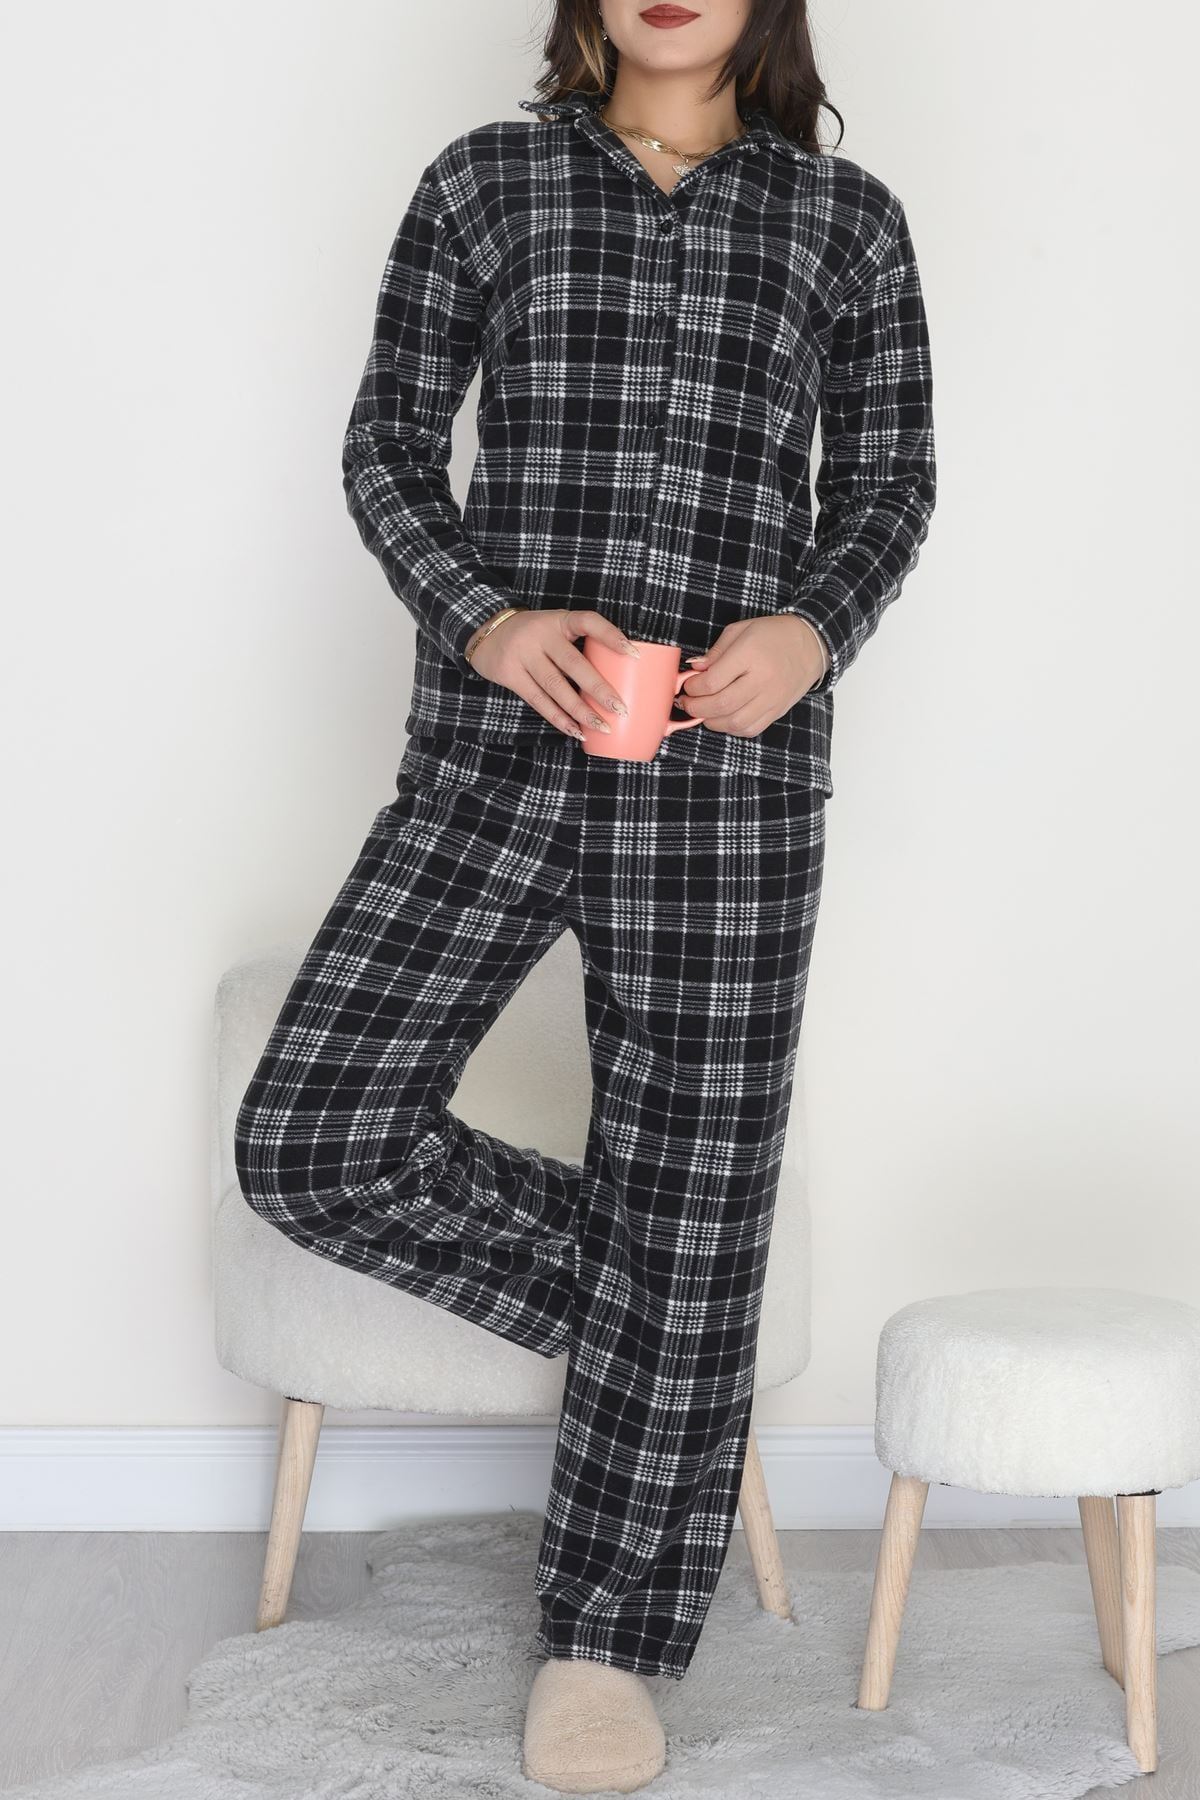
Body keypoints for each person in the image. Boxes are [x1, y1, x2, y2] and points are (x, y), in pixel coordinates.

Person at [234, 0, 936, 1789]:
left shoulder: (844, 220)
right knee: (316, 1135)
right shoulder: (488, 181)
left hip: (731, 779)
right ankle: (675, 1324)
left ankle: (607, 1646)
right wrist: (485, 621)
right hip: (497, 749)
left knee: (694, 1177)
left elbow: (888, 483)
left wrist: (811, 627)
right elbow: (388, 443)